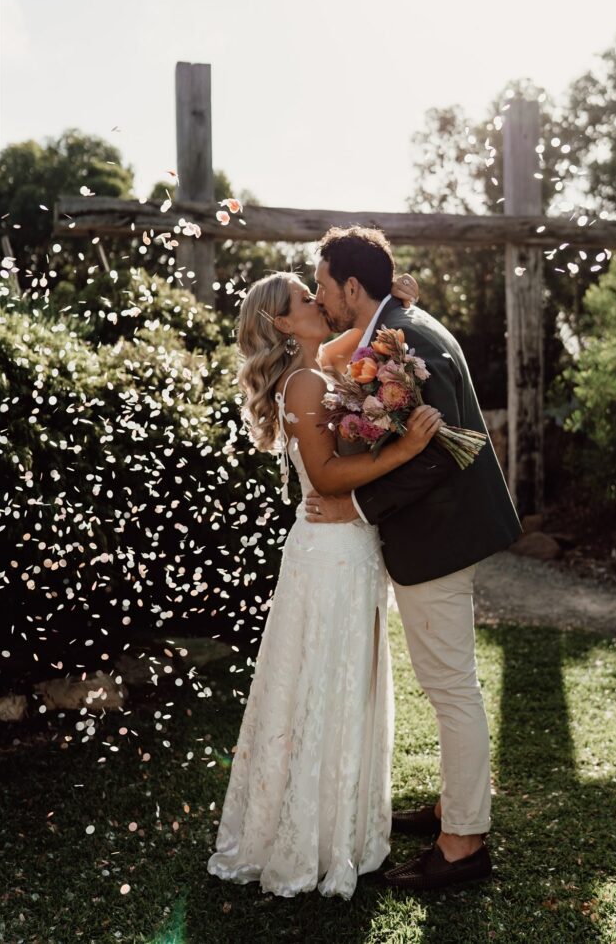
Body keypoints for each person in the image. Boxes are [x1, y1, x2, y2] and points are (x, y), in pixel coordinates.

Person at [207, 267, 439, 900]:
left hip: (347, 550)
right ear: (284, 323)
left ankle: (337, 826)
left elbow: (362, 334)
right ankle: (308, 838)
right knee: (323, 682)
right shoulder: (306, 382)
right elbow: (329, 476)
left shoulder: (323, 363)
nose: (321, 301)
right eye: (308, 299)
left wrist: (398, 305)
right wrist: (405, 451)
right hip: (330, 552)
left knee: (338, 682)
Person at [307, 224, 522, 891]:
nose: (320, 298)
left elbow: (439, 448)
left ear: (350, 284)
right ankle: (452, 809)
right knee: (448, 685)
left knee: (452, 688)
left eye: (322, 286)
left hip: (440, 535)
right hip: (439, 532)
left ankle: (462, 846)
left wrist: (358, 507)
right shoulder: (397, 324)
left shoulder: (408, 341)